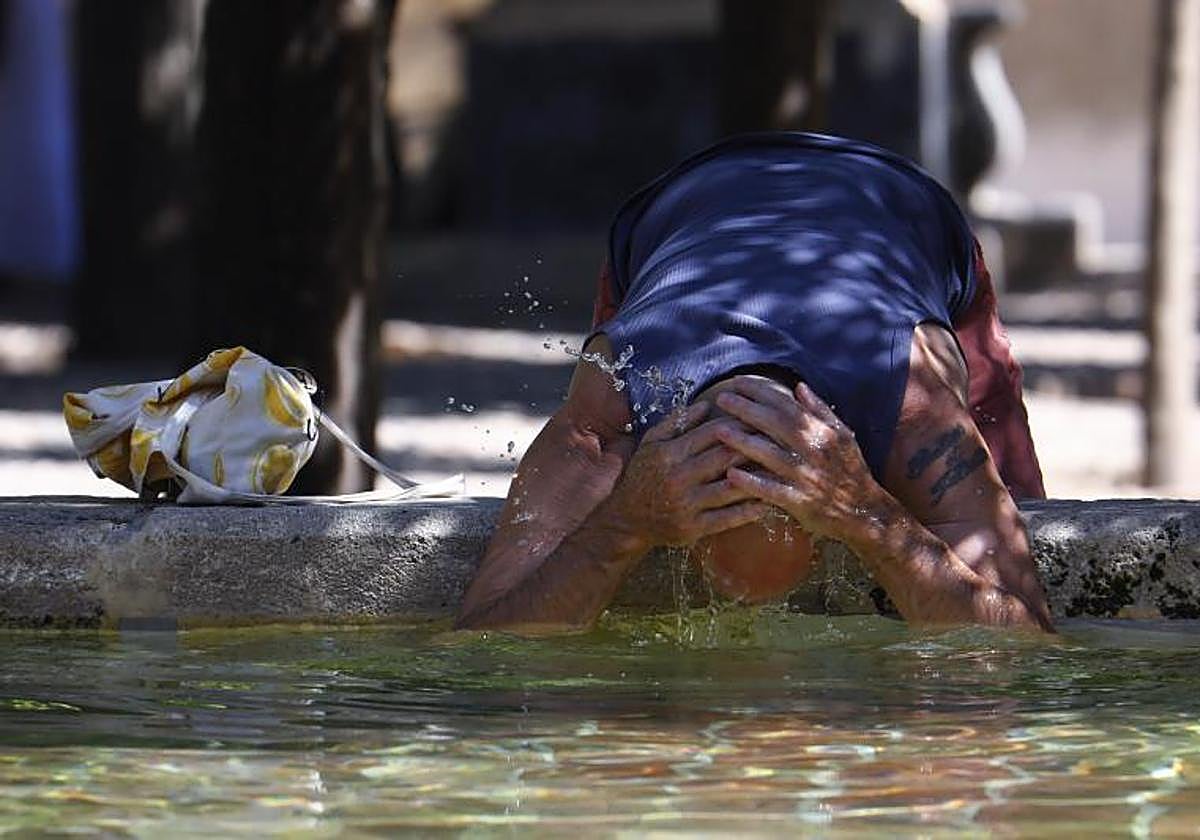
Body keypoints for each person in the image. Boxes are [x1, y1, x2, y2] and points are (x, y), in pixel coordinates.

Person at [457, 132, 1054, 634]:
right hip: (683, 206)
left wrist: (869, 517)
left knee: (1022, 509)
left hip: (899, 203)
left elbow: (1027, 637)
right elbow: (483, 634)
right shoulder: (613, 401)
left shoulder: (914, 405)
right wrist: (623, 523)